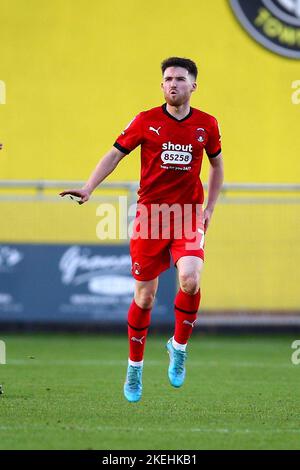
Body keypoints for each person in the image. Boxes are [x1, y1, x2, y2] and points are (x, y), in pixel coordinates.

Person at [60, 57, 224, 403]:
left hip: (187, 215)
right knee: (144, 297)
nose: (173, 84)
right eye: (167, 79)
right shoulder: (146, 121)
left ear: (193, 85)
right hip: (150, 217)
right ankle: (135, 368)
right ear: (162, 84)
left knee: (191, 279)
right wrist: (89, 188)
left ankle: (178, 346)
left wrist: (209, 207)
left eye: (180, 79)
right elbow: (114, 154)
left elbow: (217, 166)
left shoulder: (206, 124)